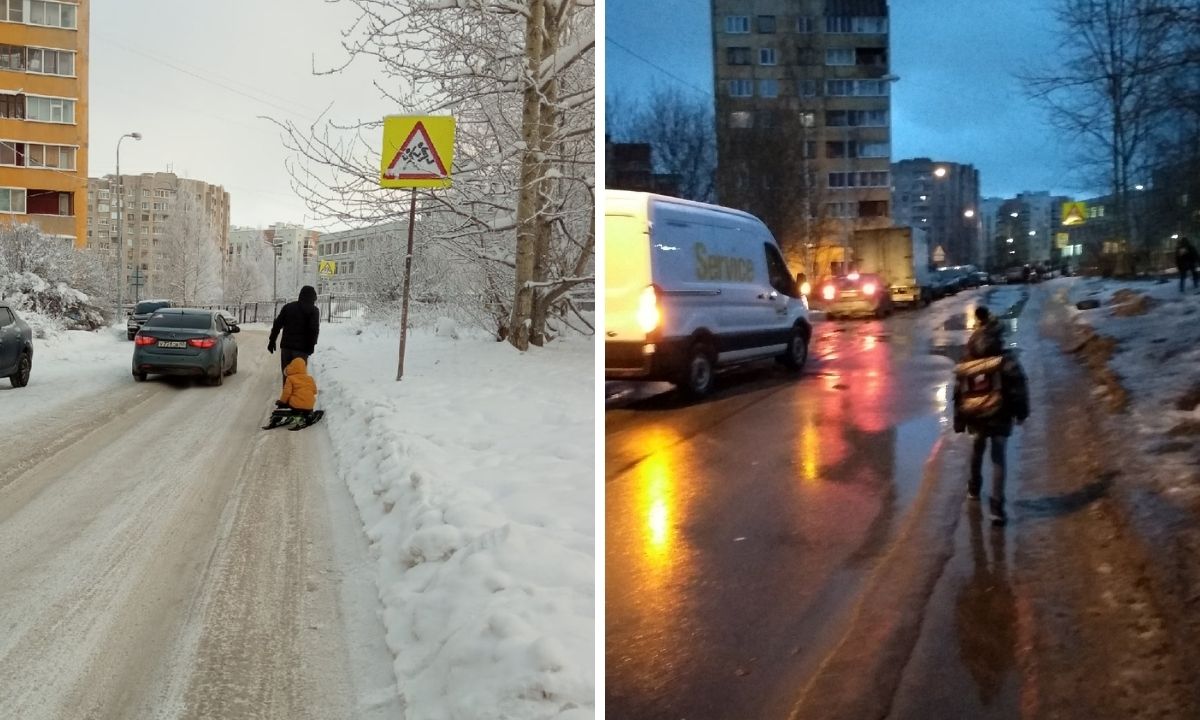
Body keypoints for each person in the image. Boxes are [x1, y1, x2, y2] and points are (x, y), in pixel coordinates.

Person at [953, 306, 1030, 525]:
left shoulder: (967, 361)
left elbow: (958, 393)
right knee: (998, 459)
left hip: (975, 416)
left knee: (977, 451)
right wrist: (1021, 413)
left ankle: (974, 488)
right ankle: (997, 509)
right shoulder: (1005, 360)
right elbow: (1019, 387)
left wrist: (959, 420)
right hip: (1000, 414)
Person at [268, 285, 320, 379]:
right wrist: (311, 346)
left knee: (287, 378)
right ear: (313, 298)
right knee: (299, 380)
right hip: (302, 351)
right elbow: (314, 330)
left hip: (286, 349)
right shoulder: (314, 310)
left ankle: (286, 393)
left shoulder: (288, 307)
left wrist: (272, 341)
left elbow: (277, 324)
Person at [273, 356, 318, 427]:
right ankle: (308, 415)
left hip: (296, 406)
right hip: (310, 405)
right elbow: (315, 391)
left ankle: (277, 419)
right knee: (304, 402)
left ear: (292, 367)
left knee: (287, 401)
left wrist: (282, 402)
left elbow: (286, 393)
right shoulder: (310, 378)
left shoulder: (290, 378)